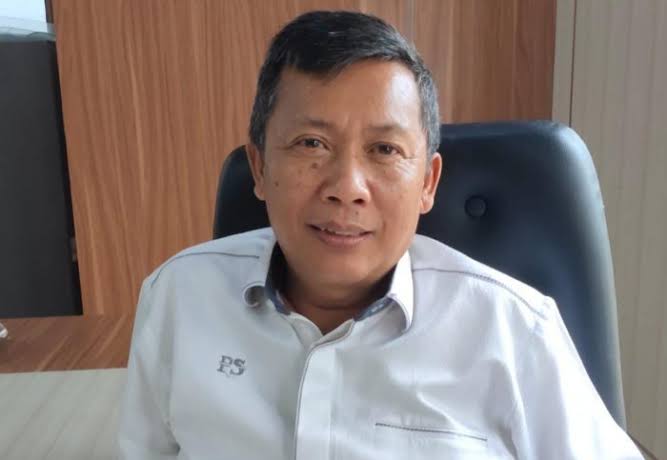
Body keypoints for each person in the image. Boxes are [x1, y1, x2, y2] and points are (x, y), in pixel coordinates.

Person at [117, 10, 643, 459]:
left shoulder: (516, 332)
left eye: (385, 150)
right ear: (258, 167)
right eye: (310, 143)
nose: (347, 188)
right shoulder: (179, 298)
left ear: (427, 183)